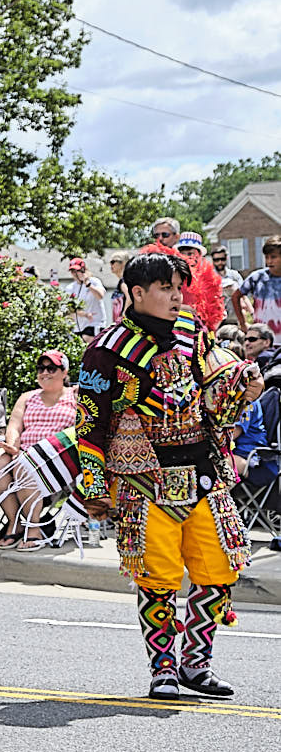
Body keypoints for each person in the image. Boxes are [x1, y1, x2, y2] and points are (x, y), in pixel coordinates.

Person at [77, 250, 260, 700]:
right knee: (157, 579)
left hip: (203, 469)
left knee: (217, 571)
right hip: (145, 479)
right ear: (137, 293)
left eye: (180, 287)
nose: (177, 296)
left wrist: (243, 382)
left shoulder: (191, 331)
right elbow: (90, 420)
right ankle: (163, 668)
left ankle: (196, 663)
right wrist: (95, 482)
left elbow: (219, 377)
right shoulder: (106, 349)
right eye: (166, 288)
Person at [0, 350, 76, 549]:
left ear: (64, 372)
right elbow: (14, 426)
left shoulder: (75, 396)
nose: (45, 373)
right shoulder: (27, 397)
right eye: (41, 369)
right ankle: (15, 523)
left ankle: (33, 528)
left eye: (51, 368)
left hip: (59, 459)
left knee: (26, 464)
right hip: (24, 455)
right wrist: (12, 444)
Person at [238, 235, 281, 336]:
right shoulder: (257, 277)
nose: (269, 261)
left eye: (273, 257)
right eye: (267, 257)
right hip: (261, 338)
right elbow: (236, 296)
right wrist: (243, 323)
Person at [64, 258, 106, 332]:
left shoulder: (94, 281)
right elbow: (70, 309)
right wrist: (85, 314)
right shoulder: (70, 288)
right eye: (72, 271)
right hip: (79, 327)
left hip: (95, 324)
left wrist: (87, 284)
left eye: (77, 271)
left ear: (83, 270)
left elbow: (100, 296)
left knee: (88, 338)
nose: (75, 274)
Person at [212, 246, 245, 325]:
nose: (220, 262)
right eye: (216, 260)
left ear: (226, 258)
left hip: (234, 318)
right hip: (217, 320)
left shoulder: (234, 275)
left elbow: (243, 294)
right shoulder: (210, 276)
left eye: (222, 259)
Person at [108, 251, 129, 324]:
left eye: (113, 262)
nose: (111, 265)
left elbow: (129, 297)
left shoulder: (124, 282)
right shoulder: (123, 280)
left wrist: (124, 316)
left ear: (123, 263)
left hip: (123, 323)